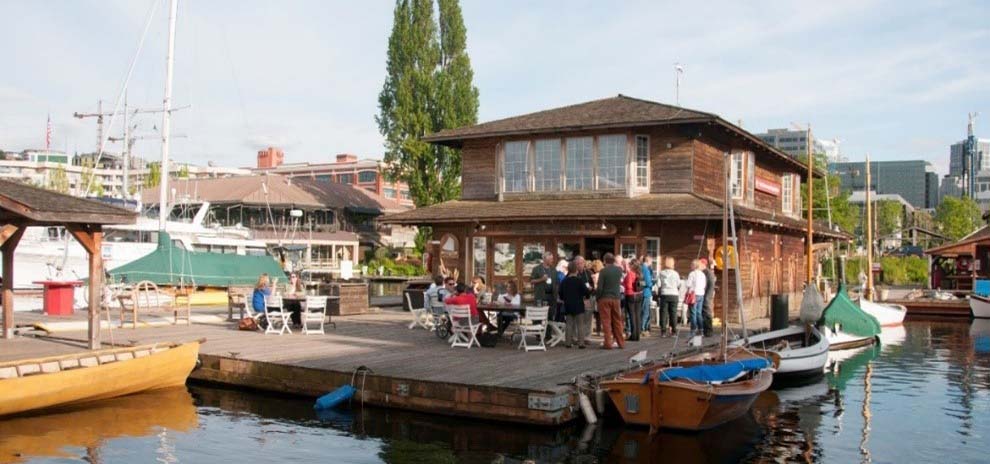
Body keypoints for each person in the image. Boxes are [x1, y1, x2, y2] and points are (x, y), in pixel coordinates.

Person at [596, 253, 625, 350]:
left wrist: (598, 297)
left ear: (604, 261)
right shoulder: (619, 270)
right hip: (616, 298)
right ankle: (621, 343)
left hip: (604, 298)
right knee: (617, 320)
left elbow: (600, 288)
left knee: (606, 321)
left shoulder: (603, 271)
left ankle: (608, 343)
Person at [560, 261, 591, 348]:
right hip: (578, 304)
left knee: (569, 324)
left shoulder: (564, 281)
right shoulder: (579, 280)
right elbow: (586, 292)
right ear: (576, 270)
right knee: (580, 324)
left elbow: (560, 293)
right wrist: (586, 296)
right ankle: (581, 343)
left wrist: (564, 298)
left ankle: (568, 343)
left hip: (568, 304)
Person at [657, 257, 681, 337]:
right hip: (674, 294)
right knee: (673, 313)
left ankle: (663, 331)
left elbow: (658, 284)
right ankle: (673, 331)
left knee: (664, 313)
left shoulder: (661, 273)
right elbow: (678, 284)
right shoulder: (676, 273)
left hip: (665, 293)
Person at [685, 259, 708, 335]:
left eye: (691, 265)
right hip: (701, 294)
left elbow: (688, 284)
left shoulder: (692, 274)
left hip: (693, 294)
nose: (690, 266)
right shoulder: (703, 274)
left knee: (693, 313)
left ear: (695, 266)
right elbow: (704, 285)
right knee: (699, 313)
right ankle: (701, 330)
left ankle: (693, 330)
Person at [623, 258, 643, 342]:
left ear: (632, 265)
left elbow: (628, 286)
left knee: (632, 315)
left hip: (630, 295)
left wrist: (622, 283)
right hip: (639, 295)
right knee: (637, 315)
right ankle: (637, 335)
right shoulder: (640, 274)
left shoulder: (630, 274)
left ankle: (633, 335)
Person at [701, 257, 717, 337]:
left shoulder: (706, 273)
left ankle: (708, 331)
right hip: (707, 294)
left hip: (707, 294)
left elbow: (706, 284)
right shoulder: (707, 272)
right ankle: (706, 331)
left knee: (706, 312)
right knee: (705, 312)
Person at [640, 256, 655, 336]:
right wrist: (653, 282)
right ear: (648, 261)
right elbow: (648, 282)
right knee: (646, 312)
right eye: (651, 262)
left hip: (642, 292)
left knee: (643, 311)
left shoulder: (641, 268)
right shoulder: (646, 269)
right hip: (646, 292)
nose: (651, 263)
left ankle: (643, 328)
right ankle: (643, 329)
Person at [590, 259, 604, 336]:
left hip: (596, 295)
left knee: (595, 314)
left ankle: (595, 329)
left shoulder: (594, 276)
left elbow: (595, 286)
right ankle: (599, 329)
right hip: (602, 295)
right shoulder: (603, 274)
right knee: (600, 314)